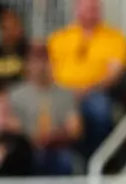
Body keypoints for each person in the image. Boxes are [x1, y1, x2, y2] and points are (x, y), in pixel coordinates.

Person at [46, 0, 126, 152]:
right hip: (61, 92)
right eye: (86, 8)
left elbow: (114, 75)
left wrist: (86, 90)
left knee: (100, 110)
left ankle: (92, 160)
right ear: (76, 9)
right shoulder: (59, 38)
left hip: (95, 92)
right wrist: (64, 93)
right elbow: (49, 71)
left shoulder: (115, 38)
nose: (91, 12)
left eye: (94, 8)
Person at [7, 43, 80, 174]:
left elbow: (75, 129)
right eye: (36, 60)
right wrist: (32, 138)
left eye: (45, 60)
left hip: (56, 149)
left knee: (65, 159)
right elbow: (11, 125)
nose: (41, 66)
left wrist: (53, 137)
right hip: (25, 150)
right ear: (27, 64)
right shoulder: (14, 95)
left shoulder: (65, 94)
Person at [0, 5, 29, 92]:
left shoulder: (29, 53)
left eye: (12, 27)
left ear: (21, 29)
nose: (8, 33)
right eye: (4, 27)